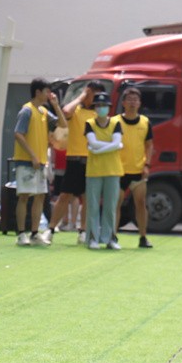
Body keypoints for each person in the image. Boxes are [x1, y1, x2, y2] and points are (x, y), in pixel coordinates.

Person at [45, 81, 106, 245]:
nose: (93, 97)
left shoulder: (99, 113)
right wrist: (82, 95)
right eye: (92, 93)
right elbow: (65, 111)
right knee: (64, 195)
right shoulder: (76, 110)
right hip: (74, 159)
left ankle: (83, 230)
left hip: (92, 160)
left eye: (96, 94)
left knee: (88, 197)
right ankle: (51, 229)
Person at [12, 77, 65, 246]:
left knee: (40, 196)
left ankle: (34, 233)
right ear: (38, 92)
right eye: (47, 91)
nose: (49, 94)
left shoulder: (43, 112)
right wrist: (33, 156)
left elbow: (63, 124)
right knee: (24, 196)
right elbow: (18, 134)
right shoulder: (26, 111)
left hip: (40, 162)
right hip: (26, 161)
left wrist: (56, 105)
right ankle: (21, 234)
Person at [114, 87, 154, 249]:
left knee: (141, 203)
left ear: (139, 103)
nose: (132, 103)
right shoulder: (115, 121)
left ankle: (143, 237)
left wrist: (147, 165)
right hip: (118, 170)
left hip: (138, 170)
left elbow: (149, 145)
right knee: (116, 204)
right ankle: (113, 236)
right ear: (123, 103)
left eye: (135, 100)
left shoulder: (145, 122)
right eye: (129, 99)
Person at [84, 92, 123, 250]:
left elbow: (116, 142)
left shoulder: (116, 123)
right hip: (94, 170)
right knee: (93, 206)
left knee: (110, 206)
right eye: (98, 105)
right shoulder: (89, 123)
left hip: (113, 169)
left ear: (109, 107)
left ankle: (110, 238)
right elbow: (92, 141)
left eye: (104, 105)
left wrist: (97, 150)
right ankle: (92, 238)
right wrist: (114, 146)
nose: (101, 108)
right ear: (94, 108)